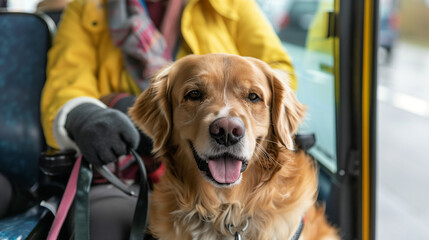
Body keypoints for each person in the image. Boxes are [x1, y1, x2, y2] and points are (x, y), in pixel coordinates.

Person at [40, 0, 296, 239]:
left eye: (251, 96)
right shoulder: (86, 8)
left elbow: (279, 71)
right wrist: (84, 114)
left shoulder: (232, 5)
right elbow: (66, 84)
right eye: (195, 93)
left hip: (244, 186)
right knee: (105, 221)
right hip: (124, 170)